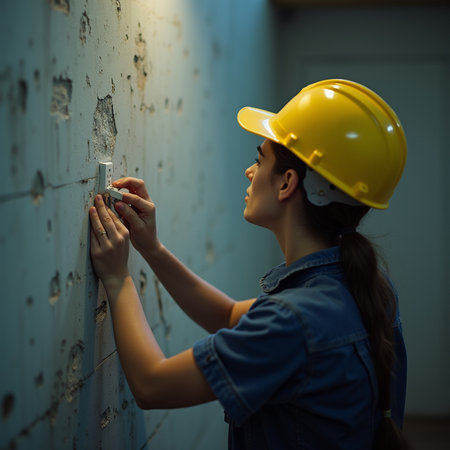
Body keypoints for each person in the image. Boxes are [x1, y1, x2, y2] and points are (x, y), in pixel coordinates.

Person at [89, 79, 408, 449]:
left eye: (260, 159)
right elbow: (227, 316)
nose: (249, 171)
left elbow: (151, 384)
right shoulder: (364, 287)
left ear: (287, 183)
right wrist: (152, 249)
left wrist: (118, 279)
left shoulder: (294, 322)